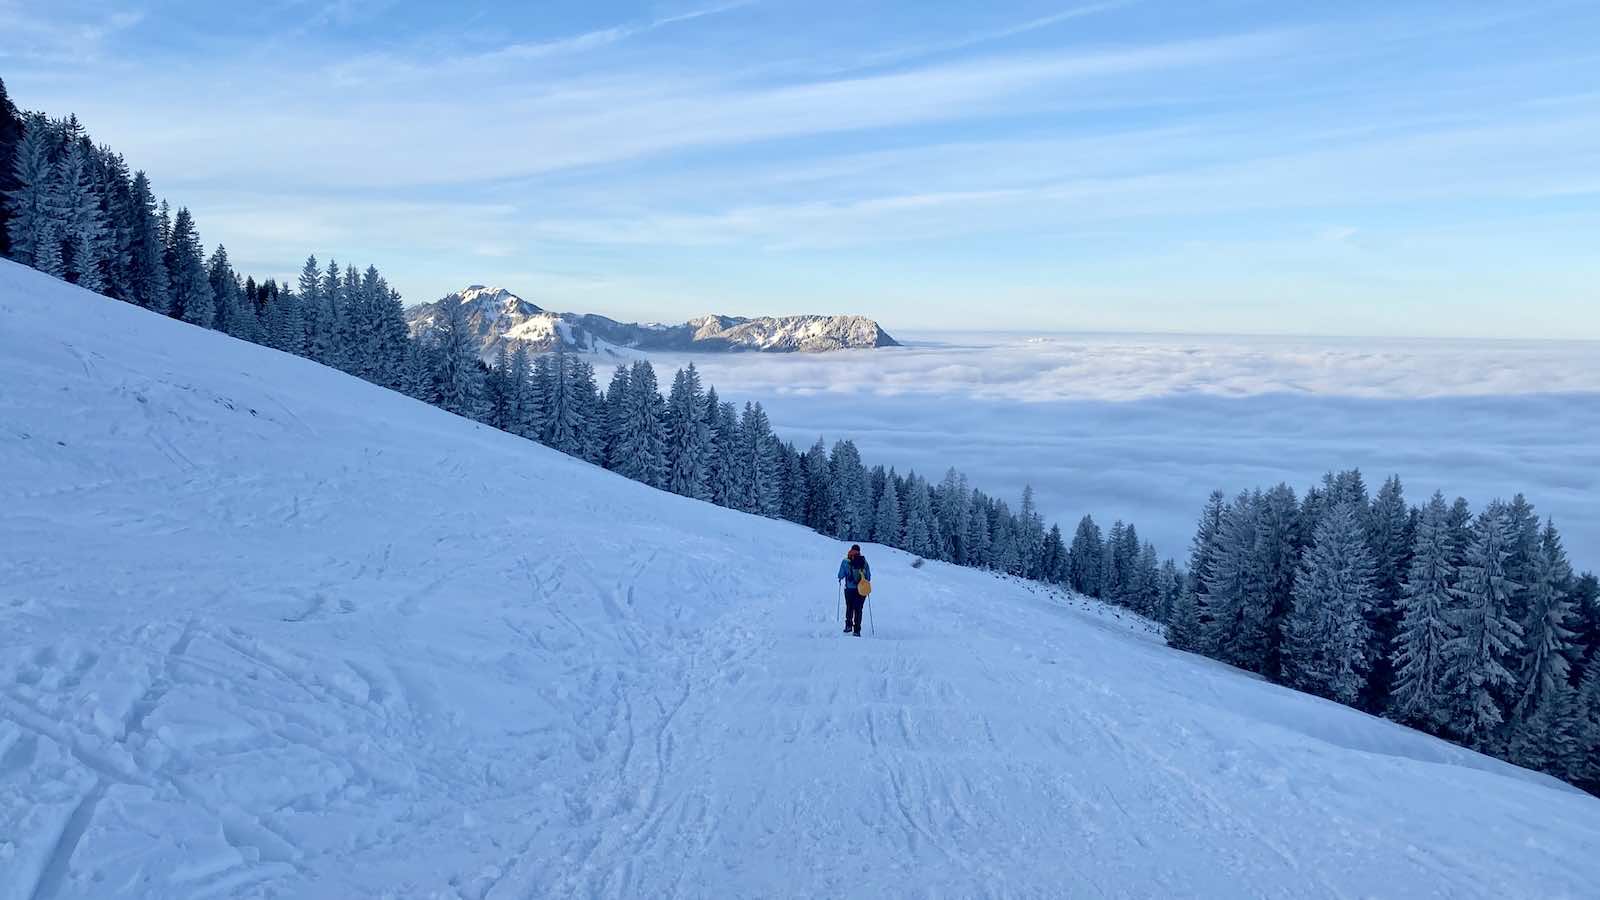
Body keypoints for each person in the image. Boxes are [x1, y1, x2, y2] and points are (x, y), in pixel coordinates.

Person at [836, 544, 871, 636]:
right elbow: (868, 577)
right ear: (859, 551)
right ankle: (857, 630)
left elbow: (840, 575)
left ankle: (848, 626)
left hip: (849, 589)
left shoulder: (845, 561)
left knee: (849, 607)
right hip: (861, 589)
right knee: (859, 609)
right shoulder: (864, 562)